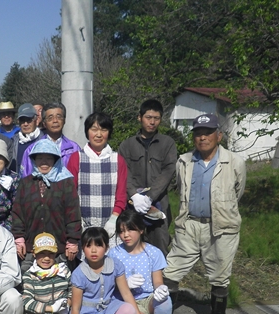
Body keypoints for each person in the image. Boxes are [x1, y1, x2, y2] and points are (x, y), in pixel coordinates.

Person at [163, 114, 246, 314]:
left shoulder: (235, 162)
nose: (202, 138)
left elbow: (238, 192)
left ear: (218, 135)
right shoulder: (185, 161)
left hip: (220, 227)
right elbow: (182, 190)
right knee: (171, 270)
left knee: (220, 274)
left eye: (207, 133)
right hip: (189, 224)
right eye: (198, 133)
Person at [118, 99, 178, 257]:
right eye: (148, 117)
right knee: (132, 248)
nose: (152, 122)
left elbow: (168, 171)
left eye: (156, 118)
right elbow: (124, 172)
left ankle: (159, 281)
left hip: (158, 205)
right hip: (133, 205)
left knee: (159, 249)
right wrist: (134, 195)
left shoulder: (167, 143)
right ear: (140, 117)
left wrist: (150, 197)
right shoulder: (127, 145)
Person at [11, 139, 81, 272]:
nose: (44, 162)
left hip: (59, 247)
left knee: (60, 284)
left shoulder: (65, 182)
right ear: (33, 160)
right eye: (40, 158)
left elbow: (73, 213)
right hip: (31, 247)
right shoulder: (26, 183)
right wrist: (19, 238)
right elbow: (18, 212)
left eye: (48, 158)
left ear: (55, 160)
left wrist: (72, 241)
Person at [108, 209, 172, 314]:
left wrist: (161, 289)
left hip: (147, 299)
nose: (125, 235)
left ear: (141, 230)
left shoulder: (154, 253)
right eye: (121, 231)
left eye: (130, 229)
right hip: (125, 302)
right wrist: (125, 284)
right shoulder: (114, 254)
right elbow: (108, 284)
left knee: (165, 302)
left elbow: (158, 281)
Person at [66, 112, 128, 245]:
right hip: (83, 225)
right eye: (94, 129)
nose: (98, 134)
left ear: (109, 133)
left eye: (103, 130)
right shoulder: (76, 158)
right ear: (87, 132)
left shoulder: (118, 160)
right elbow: (70, 194)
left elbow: (121, 194)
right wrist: (77, 221)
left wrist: (114, 218)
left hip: (110, 225)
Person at [70, 228, 140, 314]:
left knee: (130, 312)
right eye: (88, 246)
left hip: (108, 308)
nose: (93, 250)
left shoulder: (115, 265)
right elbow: (75, 307)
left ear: (106, 247)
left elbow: (126, 293)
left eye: (98, 245)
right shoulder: (79, 274)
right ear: (82, 248)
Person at [22, 233, 71, 314]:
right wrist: (51, 308)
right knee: (28, 311)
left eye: (51, 254)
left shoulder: (63, 271)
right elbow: (26, 300)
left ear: (56, 254)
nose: (46, 258)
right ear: (34, 254)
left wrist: (68, 303)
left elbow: (72, 290)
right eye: (42, 253)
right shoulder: (30, 275)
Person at [20, 102, 81, 177]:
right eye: (50, 118)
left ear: (64, 120)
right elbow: (25, 180)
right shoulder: (32, 150)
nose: (55, 121)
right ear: (44, 123)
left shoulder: (74, 148)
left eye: (59, 117)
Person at [11, 103, 45, 172]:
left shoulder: (44, 140)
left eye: (29, 120)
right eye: (22, 120)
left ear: (35, 119)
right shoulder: (13, 141)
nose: (25, 124)